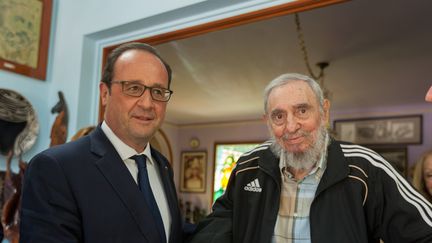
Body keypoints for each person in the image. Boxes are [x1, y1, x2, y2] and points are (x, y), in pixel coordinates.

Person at [188, 73, 432, 243]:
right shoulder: (248, 166)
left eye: (302, 110)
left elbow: (423, 232)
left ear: (324, 112)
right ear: (268, 122)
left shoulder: (366, 167)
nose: (291, 126)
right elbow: (221, 220)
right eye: (279, 116)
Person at [19, 42, 183, 243]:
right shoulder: (55, 167)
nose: (147, 103)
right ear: (105, 94)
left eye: (158, 92)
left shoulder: (163, 166)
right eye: (134, 88)